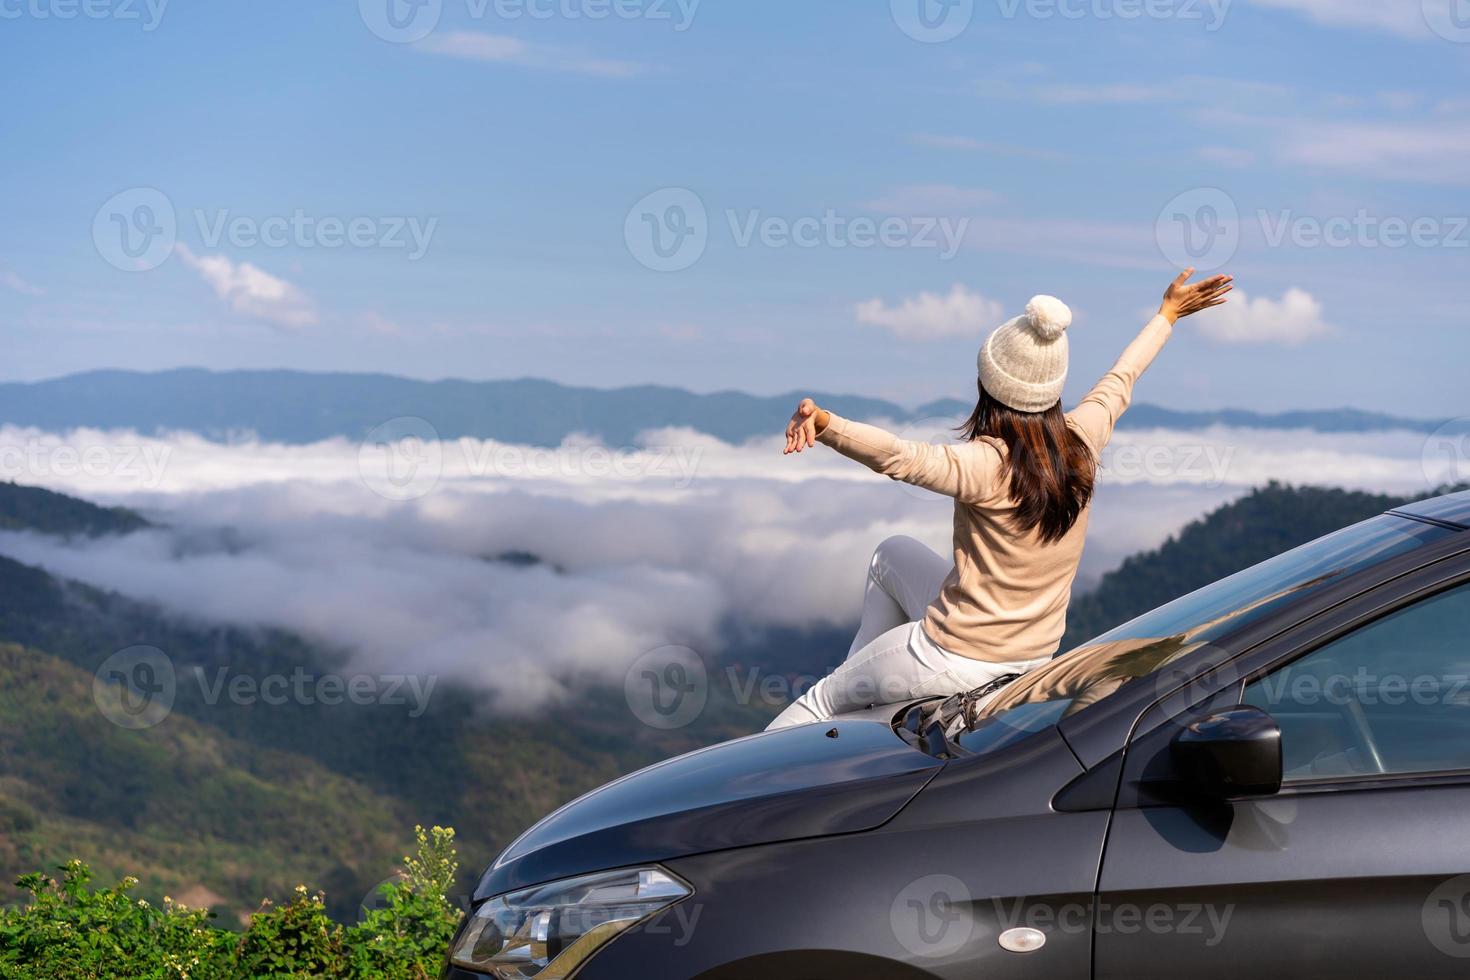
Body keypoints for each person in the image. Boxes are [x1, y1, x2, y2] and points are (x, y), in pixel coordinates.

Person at [765, 269, 1233, 730]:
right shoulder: (1082, 441)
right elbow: (1120, 380)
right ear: (1053, 390)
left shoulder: (985, 464)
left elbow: (899, 456)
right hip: (1030, 657)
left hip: (954, 656)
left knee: (820, 702)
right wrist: (1166, 315)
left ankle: (740, 790)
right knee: (891, 554)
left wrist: (826, 424)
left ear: (989, 387)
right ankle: (869, 703)